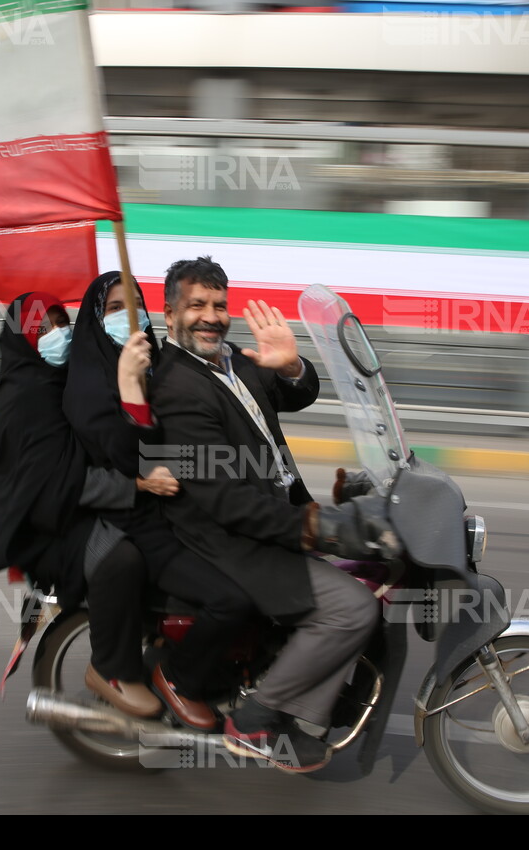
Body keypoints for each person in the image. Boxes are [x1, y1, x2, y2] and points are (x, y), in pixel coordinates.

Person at [150, 257, 389, 773]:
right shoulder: (177, 387)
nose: (211, 317)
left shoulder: (229, 358)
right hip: (229, 538)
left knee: (371, 576)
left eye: (218, 306)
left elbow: (296, 394)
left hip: (275, 512)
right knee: (351, 607)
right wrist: (314, 528)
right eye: (196, 306)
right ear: (169, 315)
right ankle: (257, 718)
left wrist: (291, 366)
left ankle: (302, 704)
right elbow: (226, 502)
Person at [64, 271, 256, 731]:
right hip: (135, 526)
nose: (127, 317)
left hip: (180, 515)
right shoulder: (88, 385)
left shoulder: (159, 367)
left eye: (134, 305)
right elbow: (131, 460)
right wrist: (130, 391)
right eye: (114, 309)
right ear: (95, 318)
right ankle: (178, 680)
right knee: (233, 599)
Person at [0, 292, 164, 720]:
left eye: (61, 323)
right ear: (20, 341)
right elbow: (56, 481)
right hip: (43, 525)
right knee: (120, 558)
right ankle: (111, 670)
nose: (57, 336)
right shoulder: (23, 398)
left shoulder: (67, 381)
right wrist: (136, 484)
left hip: (72, 507)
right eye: (41, 330)